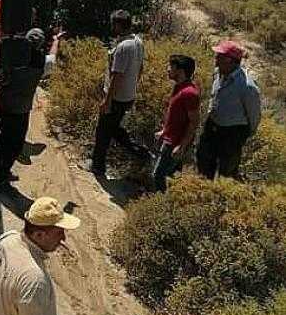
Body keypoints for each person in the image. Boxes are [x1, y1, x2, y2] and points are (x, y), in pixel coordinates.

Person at [0, 28, 62, 193]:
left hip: (5, 105)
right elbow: (53, 58)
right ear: (40, 45)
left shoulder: (12, 57)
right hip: (21, 109)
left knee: (5, 142)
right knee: (13, 145)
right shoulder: (41, 62)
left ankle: (1, 173)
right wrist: (56, 41)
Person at [90, 10, 149, 177]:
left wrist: (107, 101)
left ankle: (98, 166)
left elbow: (117, 75)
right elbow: (140, 68)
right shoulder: (138, 41)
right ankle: (140, 152)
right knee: (114, 128)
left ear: (117, 25)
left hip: (116, 97)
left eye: (113, 24)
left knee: (103, 132)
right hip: (127, 96)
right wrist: (133, 87)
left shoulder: (124, 47)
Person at [196, 40, 261, 180]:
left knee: (227, 171)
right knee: (204, 163)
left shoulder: (247, 86)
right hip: (212, 126)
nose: (216, 59)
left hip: (232, 133)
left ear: (231, 61)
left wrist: (245, 134)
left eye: (220, 56)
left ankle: (223, 196)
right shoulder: (218, 73)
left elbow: (254, 115)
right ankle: (204, 193)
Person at [152, 54, 200, 192]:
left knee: (159, 176)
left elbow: (194, 122)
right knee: (171, 177)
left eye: (170, 67)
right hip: (170, 139)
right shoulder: (179, 87)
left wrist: (181, 146)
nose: (167, 69)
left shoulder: (189, 93)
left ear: (180, 71)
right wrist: (164, 132)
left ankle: (159, 206)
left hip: (174, 143)